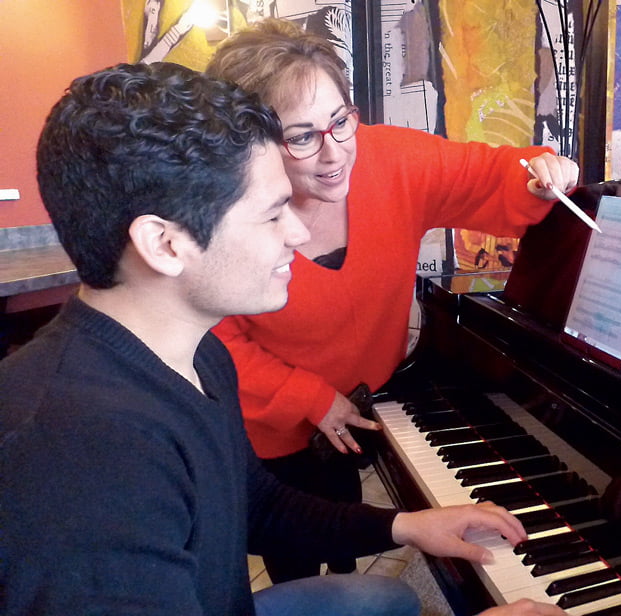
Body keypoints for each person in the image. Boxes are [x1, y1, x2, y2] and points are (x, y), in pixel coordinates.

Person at [0, 61, 567, 616]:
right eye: (272, 215)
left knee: (386, 596)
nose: (298, 234)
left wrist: (405, 525)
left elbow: (258, 506)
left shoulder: (201, 359)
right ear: (165, 244)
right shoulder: (77, 455)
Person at [204, 18, 579, 581]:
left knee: (347, 519)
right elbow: (212, 336)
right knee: (296, 547)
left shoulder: (389, 160)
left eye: (340, 123)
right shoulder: (221, 207)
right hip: (271, 421)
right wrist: (308, 397)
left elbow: (486, 175)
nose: (333, 155)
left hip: (356, 401)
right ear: (251, 144)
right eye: (301, 137)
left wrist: (539, 173)